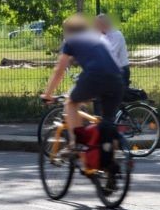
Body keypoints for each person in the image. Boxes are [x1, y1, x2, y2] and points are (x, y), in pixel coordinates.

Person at [41, 14, 124, 149]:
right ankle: (110, 163)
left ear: (67, 31)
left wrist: (48, 94)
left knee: (71, 103)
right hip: (117, 79)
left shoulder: (71, 41)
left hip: (95, 76)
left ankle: (75, 143)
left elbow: (59, 70)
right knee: (107, 124)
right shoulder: (99, 37)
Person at [95, 14, 130, 87]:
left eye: (97, 25)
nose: (95, 28)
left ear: (104, 25)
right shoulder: (101, 35)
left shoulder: (116, 35)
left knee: (114, 96)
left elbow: (110, 54)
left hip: (120, 71)